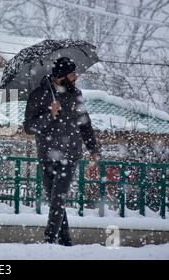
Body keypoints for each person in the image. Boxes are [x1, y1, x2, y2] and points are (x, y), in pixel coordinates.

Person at [23, 57, 99, 246]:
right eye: (72, 74)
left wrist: (93, 148)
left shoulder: (75, 94)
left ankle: (49, 241)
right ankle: (65, 241)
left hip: (70, 155)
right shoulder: (38, 95)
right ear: (61, 76)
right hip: (47, 155)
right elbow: (29, 127)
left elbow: (85, 124)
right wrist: (50, 114)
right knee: (55, 201)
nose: (76, 77)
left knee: (58, 198)